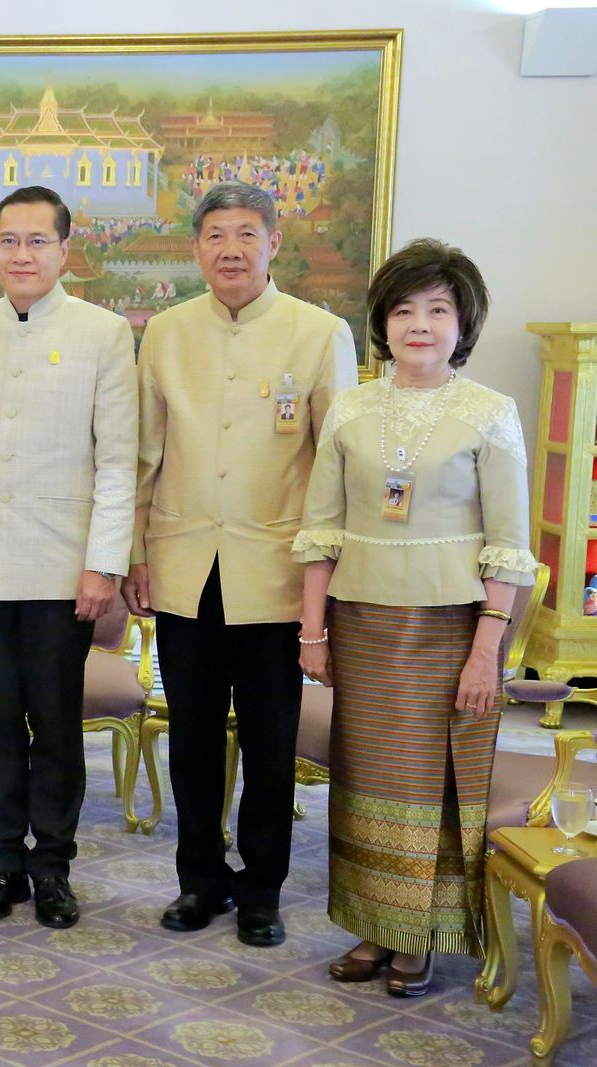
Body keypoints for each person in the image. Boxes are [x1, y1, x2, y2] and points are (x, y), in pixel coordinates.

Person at [295, 239, 533, 996]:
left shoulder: (490, 413)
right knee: (366, 780)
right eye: (404, 309)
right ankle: (373, 924)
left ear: (463, 323)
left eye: (438, 309)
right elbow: (321, 529)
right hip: (362, 623)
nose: (420, 324)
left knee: (431, 786)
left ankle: (419, 939)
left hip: (451, 630)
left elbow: (508, 547)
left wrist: (485, 652)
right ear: (382, 322)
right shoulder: (351, 407)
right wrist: (312, 630)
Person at [124, 180, 357, 946]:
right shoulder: (164, 332)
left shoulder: (319, 333)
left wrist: (325, 592)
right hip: (185, 565)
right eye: (216, 234)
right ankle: (200, 881)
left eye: (247, 234)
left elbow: (336, 470)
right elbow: (144, 457)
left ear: (273, 243)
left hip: (278, 575)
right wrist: (135, 555)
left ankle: (262, 890)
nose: (231, 248)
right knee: (190, 736)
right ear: (196, 248)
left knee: (268, 741)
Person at [0, 187, 136, 929]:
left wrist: (105, 564)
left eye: (37, 241)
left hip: (66, 570)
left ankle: (53, 865)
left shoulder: (104, 332)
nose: (21, 254)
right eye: (8, 240)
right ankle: (1, 861)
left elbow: (118, 460)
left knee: (57, 725)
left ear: (66, 250)